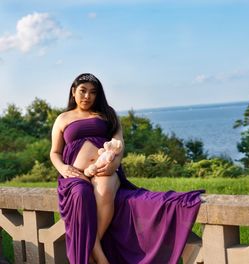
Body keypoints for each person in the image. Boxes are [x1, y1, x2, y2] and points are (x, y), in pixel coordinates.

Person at [50, 73, 204, 264]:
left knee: (105, 189)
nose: (87, 96)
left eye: (93, 92)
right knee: (81, 195)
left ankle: (90, 251)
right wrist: (63, 168)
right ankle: (100, 257)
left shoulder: (107, 114)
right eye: (83, 91)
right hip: (75, 175)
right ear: (73, 92)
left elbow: (119, 144)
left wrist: (113, 164)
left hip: (105, 170)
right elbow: (54, 152)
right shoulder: (63, 118)